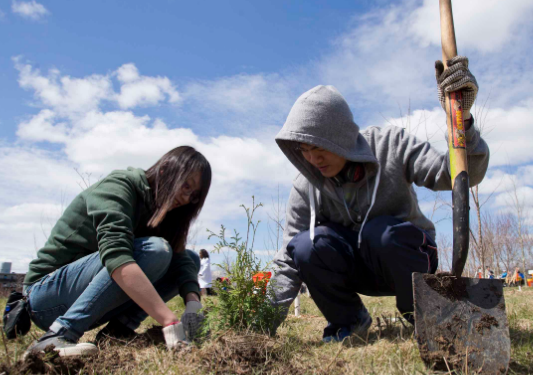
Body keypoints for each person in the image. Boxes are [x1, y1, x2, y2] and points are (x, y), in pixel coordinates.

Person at [270, 56, 489, 343]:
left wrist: (463, 122)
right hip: (358, 271)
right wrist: (263, 320)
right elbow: (289, 258)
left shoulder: (391, 146)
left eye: (319, 146)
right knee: (305, 244)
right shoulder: (306, 185)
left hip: (408, 258)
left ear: (340, 136)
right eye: (304, 149)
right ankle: (349, 321)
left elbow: (457, 176)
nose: (312, 159)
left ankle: (425, 315)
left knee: (379, 232)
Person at [23, 146, 211, 356]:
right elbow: (116, 255)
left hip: (92, 298)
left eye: (193, 196)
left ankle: (117, 332)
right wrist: (169, 320)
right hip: (46, 297)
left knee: (190, 258)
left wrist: (193, 304)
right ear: (165, 169)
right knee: (156, 250)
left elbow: (181, 260)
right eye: (186, 185)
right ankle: (57, 336)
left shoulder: (164, 214)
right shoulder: (120, 186)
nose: (186, 198)